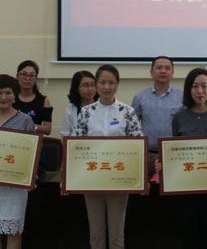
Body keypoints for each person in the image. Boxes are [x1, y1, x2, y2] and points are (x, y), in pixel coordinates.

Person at [73, 65, 143, 249]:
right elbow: (76, 145)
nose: (106, 87)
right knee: (96, 234)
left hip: (119, 179)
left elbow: (137, 145)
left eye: (111, 82)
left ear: (117, 84)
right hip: (91, 178)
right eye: (102, 82)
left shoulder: (128, 112)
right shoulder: (86, 112)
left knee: (117, 234)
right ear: (96, 85)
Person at [167, 68, 207, 249]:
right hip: (187, 186)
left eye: (204, 86)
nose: (200, 91)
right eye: (195, 86)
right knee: (190, 231)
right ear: (189, 89)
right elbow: (174, 152)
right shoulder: (179, 117)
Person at [0, 74, 36, 249]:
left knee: (13, 230)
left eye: (8, 93)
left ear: (15, 94)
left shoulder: (25, 120)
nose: (3, 97)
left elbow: (32, 152)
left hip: (15, 184)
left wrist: (31, 174)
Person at [131, 56, 183, 176]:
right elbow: (132, 127)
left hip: (173, 154)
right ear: (151, 72)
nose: (163, 71)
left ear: (172, 73)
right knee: (147, 186)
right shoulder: (140, 97)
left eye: (167, 68)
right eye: (159, 68)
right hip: (147, 154)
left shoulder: (182, 97)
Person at [13, 60, 53, 135]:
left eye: (31, 75)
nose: (27, 78)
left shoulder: (43, 100)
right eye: (24, 74)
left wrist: (31, 126)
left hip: (34, 139)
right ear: (17, 76)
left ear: (36, 78)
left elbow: (48, 129)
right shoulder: (11, 98)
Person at [60, 70, 97, 138]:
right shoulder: (70, 110)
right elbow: (65, 135)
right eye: (85, 85)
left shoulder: (102, 105)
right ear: (76, 88)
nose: (90, 89)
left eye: (92, 85)